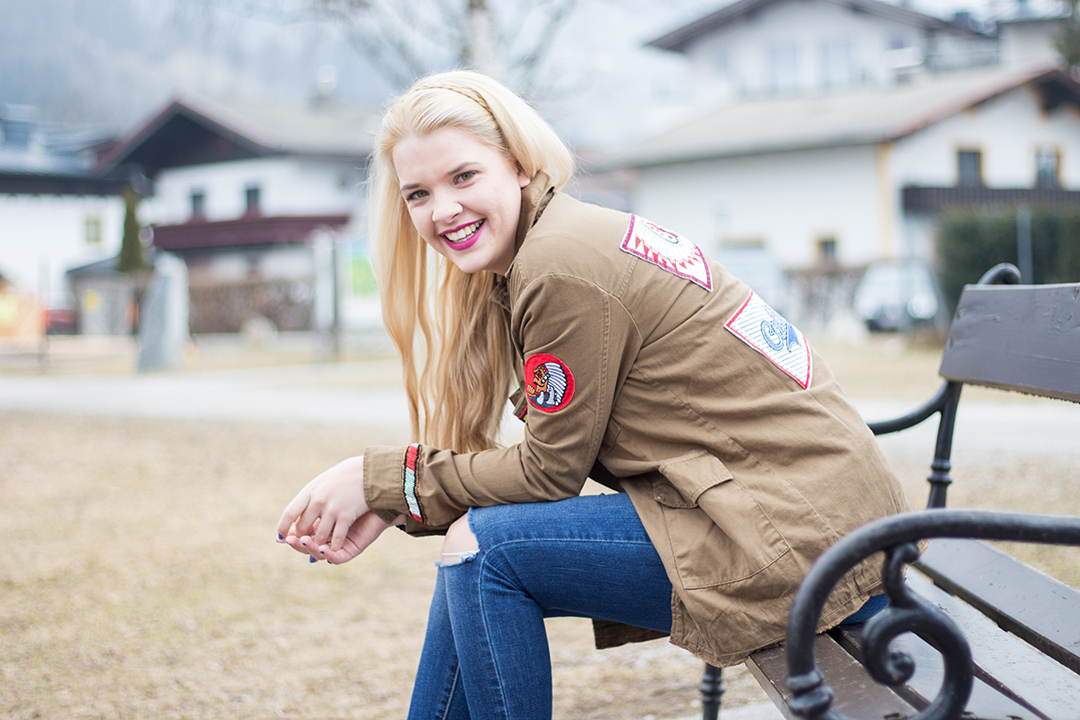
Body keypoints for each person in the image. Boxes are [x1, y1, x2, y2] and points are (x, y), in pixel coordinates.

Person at [276, 70, 910, 720]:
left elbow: (548, 472)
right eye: (418, 193)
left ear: (519, 166)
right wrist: (397, 494)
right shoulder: (556, 243)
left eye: (463, 177)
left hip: (794, 536)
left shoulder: (560, 266)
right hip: (801, 515)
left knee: (486, 552)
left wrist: (383, 481)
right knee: (475, 543)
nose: (442, 210)